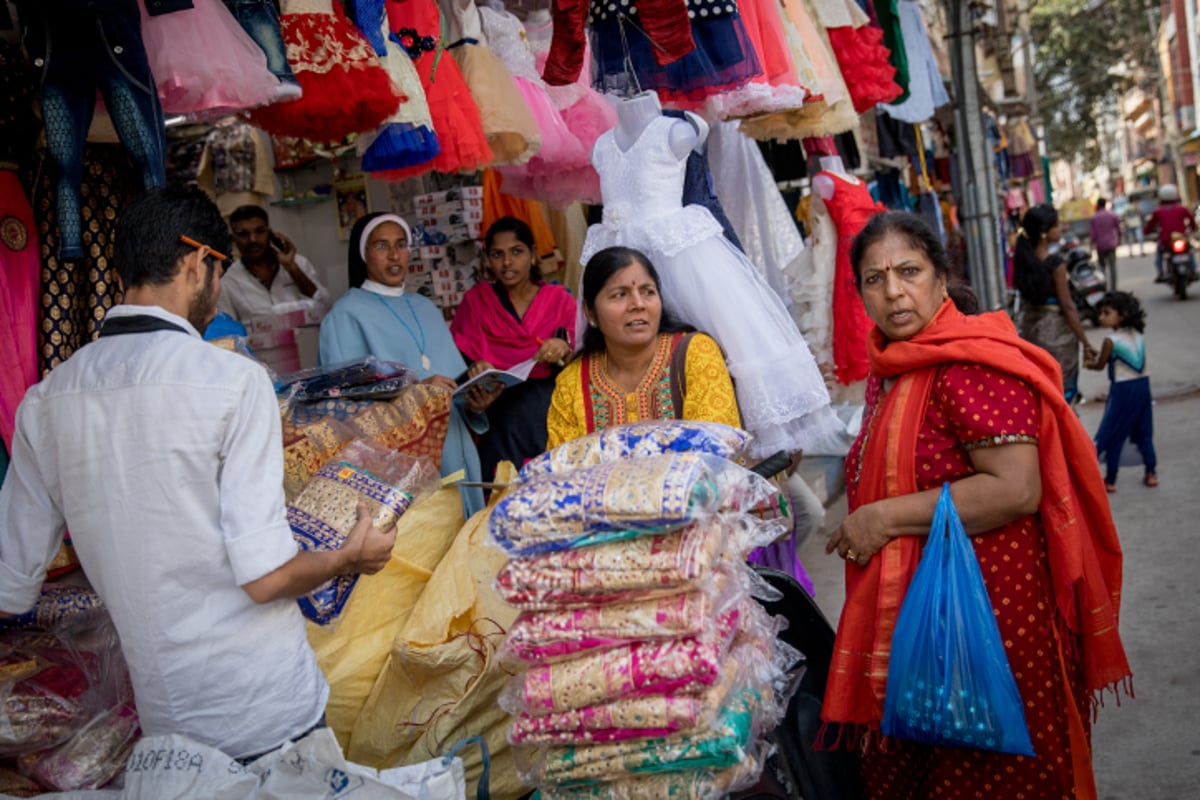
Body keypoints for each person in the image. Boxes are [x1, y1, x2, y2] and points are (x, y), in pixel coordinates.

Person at [0, 186, 397, 761]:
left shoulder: (45, 401)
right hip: (263, 707)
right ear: (196, 263)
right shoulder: (232, 383)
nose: (218, 287)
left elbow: (11, 585)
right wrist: (347, 559)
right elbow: (265, 578)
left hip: (167, 723)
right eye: (220, 269)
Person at [822, 211, 1130, 799]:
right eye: (873, 278)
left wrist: (882, 517)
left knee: (991, 775)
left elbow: (1015, 489)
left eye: (908, 271)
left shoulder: (969, 362)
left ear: (941, 277)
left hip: (988, 612)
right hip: (919, 611)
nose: (892, 291)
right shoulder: (892, 363)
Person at [318, 212, 499, 518]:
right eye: (381, 246)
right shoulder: (345, 315)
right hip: (401, 465)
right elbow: (342, 407)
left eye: (401, 245)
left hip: (454, 449)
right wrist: (413, 391)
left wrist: (475, 402)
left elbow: (452, 388)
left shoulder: (425, 307)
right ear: (363, 254)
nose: (393, 255)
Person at [546, 246, 740, 448]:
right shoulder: (572, 384)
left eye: (648, 292)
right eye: (620, 295)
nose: (638, 304)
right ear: (590, 312)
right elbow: (561, 470)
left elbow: (716, 449)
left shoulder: (696, 352)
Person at [450, 217, 577, 478]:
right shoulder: (476, 302)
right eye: (498, 254)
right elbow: (456, 369)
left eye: (517, 252)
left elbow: (584, 362)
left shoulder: (559, 300)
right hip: (496, 417)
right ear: (488, 259)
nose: (507, 263)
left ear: (533, 255)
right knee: (503, 496)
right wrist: (475, 374)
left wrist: (563, 348)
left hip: (548, 412)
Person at [1013, 203, 1095, 403]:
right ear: (1043, 232)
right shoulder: (1055, 265)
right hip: (1057, 335)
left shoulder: (1024, 261)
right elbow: (1067, 306)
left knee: (1042, 393)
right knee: (1062, 393)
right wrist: (1085, 342)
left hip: (1031, 332)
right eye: (1056, 225)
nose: (1060, 229)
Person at [1085, 291, 1156, 493]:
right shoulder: (1138, 334)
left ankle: (1111, 478)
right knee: (1144, 430)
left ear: (1122, 315)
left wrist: (1087, 361)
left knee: (1115, 430)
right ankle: (1151, 471)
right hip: (1143, 387)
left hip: (1123, 390)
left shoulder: (1110, 340)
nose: (1101, 318)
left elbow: (1099, 365)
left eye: (1106, 313)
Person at [218, 204, 331, 322]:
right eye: (243, 234)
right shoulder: (228, 280)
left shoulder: (298, 263)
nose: (253, 239)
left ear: (270, 233)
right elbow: (228, 329)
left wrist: (292, 268)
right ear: (233, 239)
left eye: (259, 231)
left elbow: (325, 304)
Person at [1143, 183, 1197, 282]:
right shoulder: (1181, 208)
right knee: (1190, 251)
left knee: (1159, 254)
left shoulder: (1158, 211)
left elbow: (1150, 226)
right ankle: (1193, 270)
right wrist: (1192, 229)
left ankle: (1160, 273)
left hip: (1166, 240)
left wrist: (1146, 233)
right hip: (1182, 238)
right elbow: (1192, 221)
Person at [1089, 196, 1123, 290]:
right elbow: (1119, 229)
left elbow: (1092, 235)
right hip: (1111, 244)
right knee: (1112, 268)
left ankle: (1104, 287)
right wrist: (1119, 240)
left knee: (1102, 268)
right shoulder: (1112, 215)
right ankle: (1114, 288)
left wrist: (1091, 247)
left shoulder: (1094, 218)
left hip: (1100, 246)